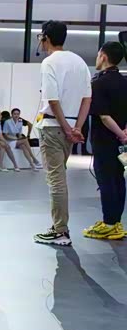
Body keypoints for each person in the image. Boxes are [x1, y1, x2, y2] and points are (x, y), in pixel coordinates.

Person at [33, 20, 92, 246]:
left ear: (45, 37)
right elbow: (87, 99)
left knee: (56, 180)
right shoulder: (80, 62)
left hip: (52, 128)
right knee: (59, 177)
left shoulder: (49, 62)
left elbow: (52, 100)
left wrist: (67, 128)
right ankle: (59, 228)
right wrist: (76, 127)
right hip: (69, 129)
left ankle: (60, 231)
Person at [82, 41, 127, 240]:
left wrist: (120, 134)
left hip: (105, 140)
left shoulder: (98, 83)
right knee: (118, 179)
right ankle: (116, 222)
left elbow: (104, 116)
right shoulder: (124, 82)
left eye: (98, 54)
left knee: (106, 180)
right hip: (121, 141)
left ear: (104, 56)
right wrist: (124, 134)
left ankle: (109, 223)